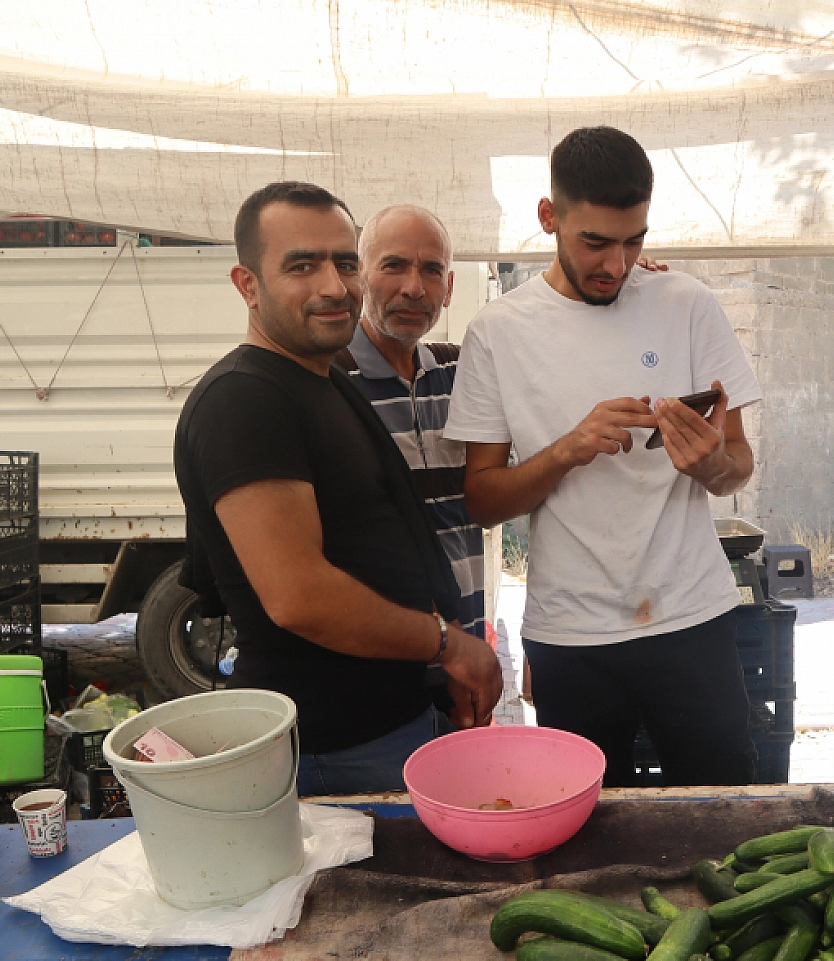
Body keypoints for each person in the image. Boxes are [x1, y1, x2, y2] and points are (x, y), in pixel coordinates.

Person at [445, 126, 763, 787]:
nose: (616, 265)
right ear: (548, 218)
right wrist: (567, 449)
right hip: (572, 635)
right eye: (595, 242)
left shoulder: (687, 305)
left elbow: (738, 465)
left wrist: (706, 463)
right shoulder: (498, 332)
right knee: (584, 821)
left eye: (634, 240)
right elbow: (482, 498)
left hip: (693, 618)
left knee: (722, 809)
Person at [173, 181, 501, 796]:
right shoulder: (244, 399)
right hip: (335, 744)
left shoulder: (325, 383)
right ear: (248, 284)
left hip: (389, 721)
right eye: (301, 265)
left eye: (344, 263)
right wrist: (445, 644)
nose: (332, 286)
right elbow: (299, 596)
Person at [337, 205, 485, 639]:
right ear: (360, 275)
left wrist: (629, 293)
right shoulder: (328, 380)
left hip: (468, 646)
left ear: (450, 286)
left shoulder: (461, 371)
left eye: (432, 270)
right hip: (384, 657)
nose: (414, 288)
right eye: (394, 266)